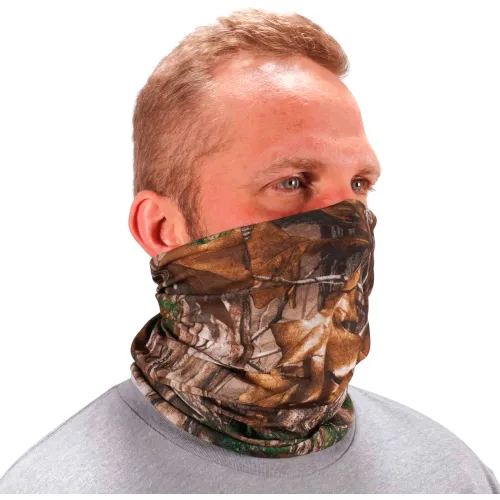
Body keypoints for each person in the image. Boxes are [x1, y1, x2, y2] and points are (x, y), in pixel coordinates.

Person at [0, 8, 498, 494]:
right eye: (291, 181)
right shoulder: (52, 488)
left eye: (359, 183)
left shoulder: (450, 476)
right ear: (161, 228)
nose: (349, 228)